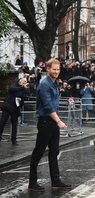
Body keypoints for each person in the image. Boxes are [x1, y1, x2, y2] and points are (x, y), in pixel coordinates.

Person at [28, 58, 71, 191]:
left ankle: (56, 181)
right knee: (39, 152)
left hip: (52, 122)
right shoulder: (44, 84)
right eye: (54, 69)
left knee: (54, 152)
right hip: (46, 121)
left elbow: (54, 103)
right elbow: (47, 106)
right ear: (48, 69)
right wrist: (58, 121)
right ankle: (32, 183)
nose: (57, 71)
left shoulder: (54, 83)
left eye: (58, 69)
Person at [0, 78, 28, 145]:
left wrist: (21, 99)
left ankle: (14, 139)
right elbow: (11, 90)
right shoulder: (14, 85)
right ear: (20, 81)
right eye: (24, 81)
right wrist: (22, 88)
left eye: (26, 82)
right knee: (2, 122)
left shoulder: (24, 89)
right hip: (8, 107)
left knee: (14, 125)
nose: (25, 82)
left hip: (15, 109)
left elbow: (25, 97)